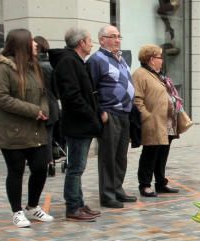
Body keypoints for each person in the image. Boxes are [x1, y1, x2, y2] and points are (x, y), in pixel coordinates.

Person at [0, 28, 52, 228]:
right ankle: (16, 211)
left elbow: (42, 93)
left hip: (35, 128)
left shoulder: (33, 67)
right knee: (16, 171)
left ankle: (32, 206)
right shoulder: (2, 68)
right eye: (31, 41)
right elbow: (1, 98)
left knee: (41, 168)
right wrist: (33, 110)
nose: (35, 44)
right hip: (12, 131)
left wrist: (42, 109)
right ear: (21, 44)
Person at [52, 27, 102, 222]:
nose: (91, 43)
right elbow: (73, 96)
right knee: (75, 167)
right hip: (77, 124)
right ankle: (73, 206)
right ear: (81, 43)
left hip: (83, 123)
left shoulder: (76, 61)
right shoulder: (68, 62)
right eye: (89, 40)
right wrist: (91, 116)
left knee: (78, 166)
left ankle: (79, 203)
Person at [89, 24, 136, 208]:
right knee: (108, 156)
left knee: (120, 155)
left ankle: (117, 188)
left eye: (119, 36)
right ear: (102, 40)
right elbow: (91, 90)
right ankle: (107, 194)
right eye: (113, 36)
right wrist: (100, 112)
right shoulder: (97, 60)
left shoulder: (120, 59)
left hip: (124, 114)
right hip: (110, 114)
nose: (117, 40)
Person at [133, 44, 183, 197]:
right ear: (151, 59)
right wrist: (146, 116)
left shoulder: (158, 75)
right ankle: (145, 185)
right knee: (150, 153)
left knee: (162, 153)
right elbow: (137, 99)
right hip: (152, 121)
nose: (162, 60)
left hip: (165, 121)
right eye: (160, 57)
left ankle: (161, 183)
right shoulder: (140, 74)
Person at [33, 36, 62, 178]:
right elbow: (57, 91)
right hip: (52, 105)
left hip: (35, 105)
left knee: (37, 136)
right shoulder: (52, 65)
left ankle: (40, 162)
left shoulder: (32, 67)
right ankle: (50, 162)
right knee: (48, 136)